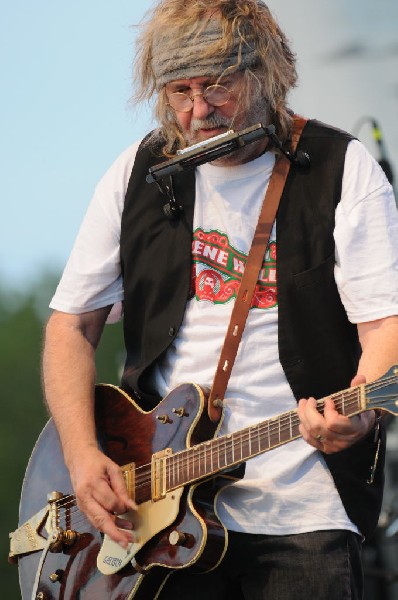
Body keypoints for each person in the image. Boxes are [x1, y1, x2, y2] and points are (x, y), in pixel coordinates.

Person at [42, 1, 398, 598]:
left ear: (265, 75)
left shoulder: (342, 167)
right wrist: (80, 455)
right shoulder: (137, 174)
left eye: (217, 87)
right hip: (158, 514)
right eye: (180, 91)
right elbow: (71, 326)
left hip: (304, 509)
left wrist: (361, 411)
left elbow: (385, 324)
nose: (199, 111)